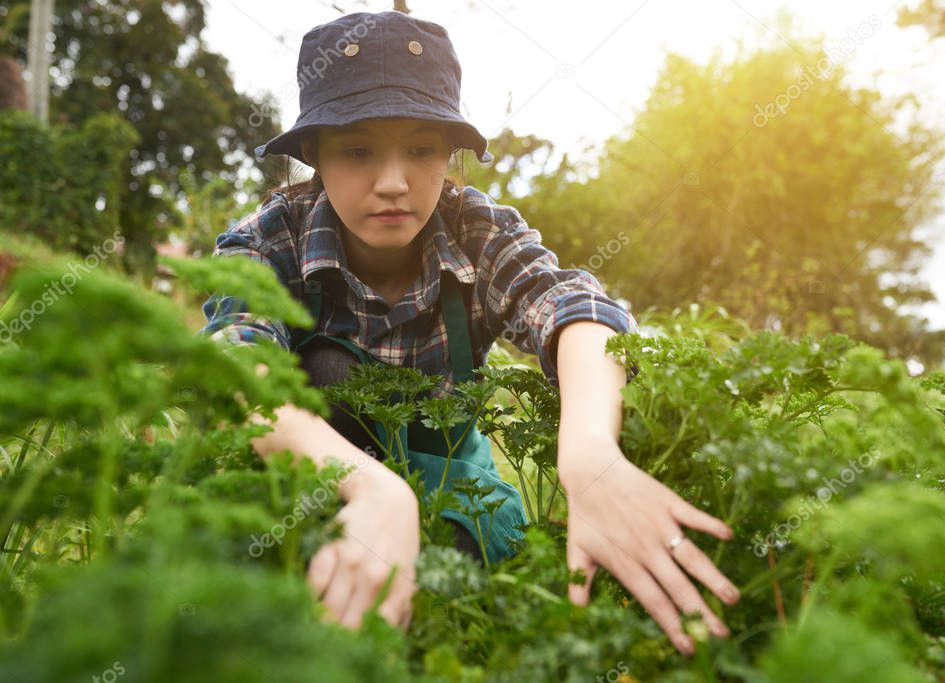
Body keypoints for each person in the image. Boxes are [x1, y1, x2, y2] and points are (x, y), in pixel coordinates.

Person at [199, 10, 739, 656]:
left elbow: (573, 306)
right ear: (314, 155)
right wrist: (373, 487)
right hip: (303, 491)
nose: (393, 181)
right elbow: (234, 362)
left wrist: (591, 454)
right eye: (358, 149)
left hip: (459, 499)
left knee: (461, 609)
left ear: (450, 155)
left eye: (421, 149)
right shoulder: (270, 237)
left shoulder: (477, 231)